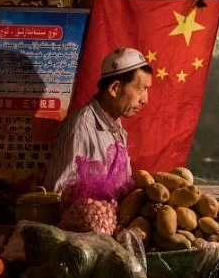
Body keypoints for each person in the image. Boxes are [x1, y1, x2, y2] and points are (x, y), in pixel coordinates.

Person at [44, 47, 153, 194]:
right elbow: (59, 192)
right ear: (115, 88)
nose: (145, 100)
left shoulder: (117, 128)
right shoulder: (80, 128)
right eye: (140, 89)